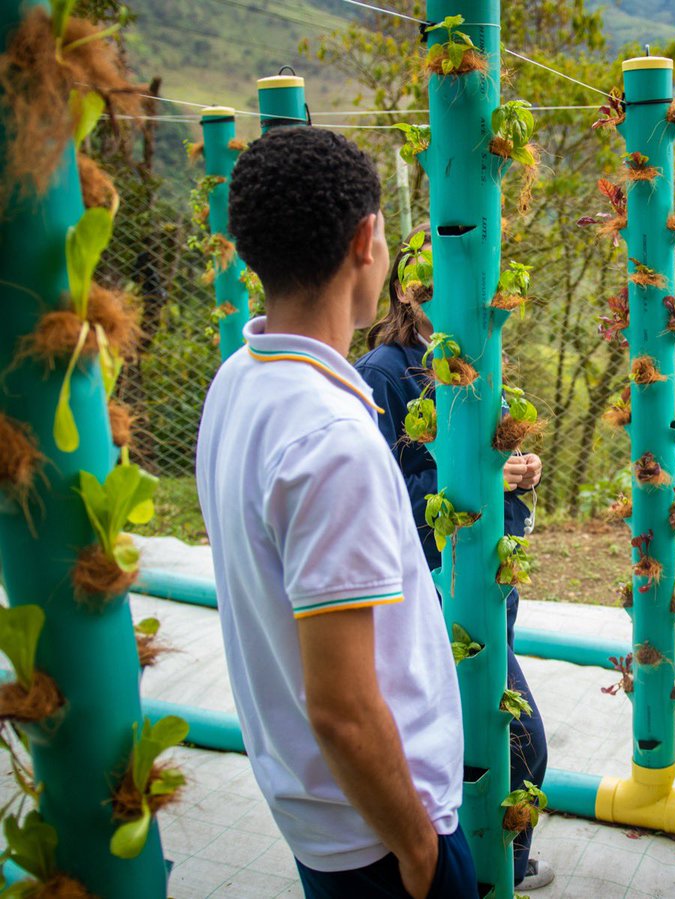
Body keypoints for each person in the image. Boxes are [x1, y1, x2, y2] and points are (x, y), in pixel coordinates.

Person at [195, 126, 475, 899]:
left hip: (323, 820)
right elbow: (343, 706)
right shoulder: (331, 441)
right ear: (364, 242)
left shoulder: (237, 383)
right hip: (382, 838)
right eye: (384, 235)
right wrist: (419, 849)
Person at [354, 239, 553, 892]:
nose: (467, 303)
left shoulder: (472, 362)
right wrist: (477, 483)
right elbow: (384, 501)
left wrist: (518, 472)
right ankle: (492, 871)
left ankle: (500, 868)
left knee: (500, 738)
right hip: (437, 590)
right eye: (442, 288)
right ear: (410, 293)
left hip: (487, 582)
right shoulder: (384, 371)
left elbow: (489, 469)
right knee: (521, 744)